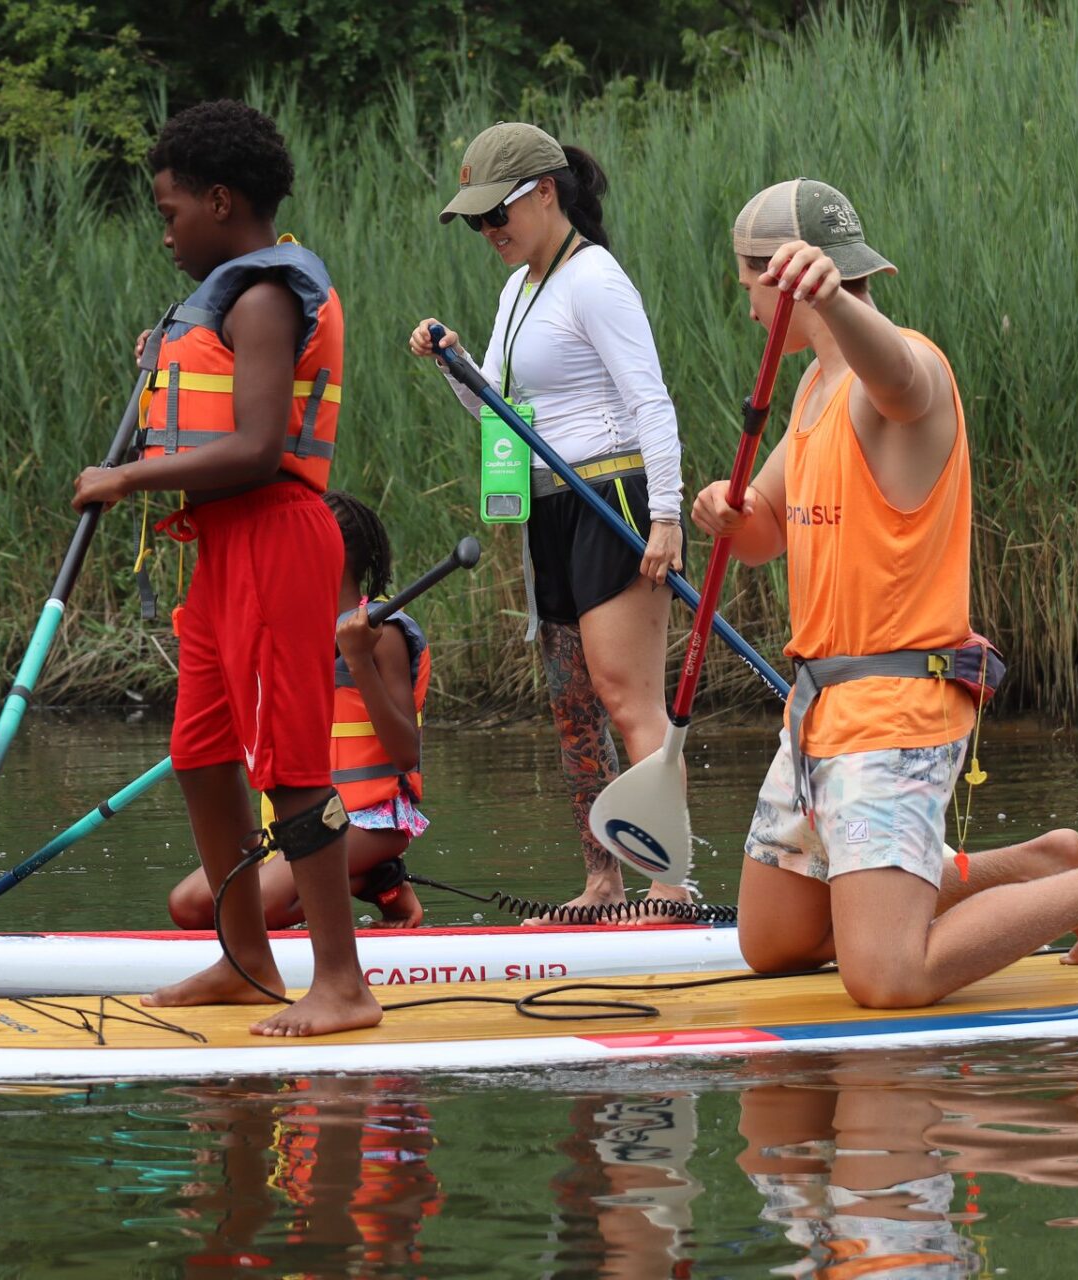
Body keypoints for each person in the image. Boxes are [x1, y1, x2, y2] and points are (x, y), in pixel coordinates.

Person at [693, 178, 1078, 1007]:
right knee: (774, 944)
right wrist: (724, 508)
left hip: (895, 712)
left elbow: (898, 376)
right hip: (818, 713)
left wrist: (837, 300)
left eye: (746, 281)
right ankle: (1038, 866)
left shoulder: (906, 365)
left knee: (886, 980)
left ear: (781, 280)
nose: (744, 300)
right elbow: (760, 539)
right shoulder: (814, 390)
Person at [70, 99, 378, 1036]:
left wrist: (128, 476)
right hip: (220, 547)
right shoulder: (228, 303)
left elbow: (253, 447)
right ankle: (247, 960)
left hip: (278, 536)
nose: (163, 234)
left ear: (218, 200)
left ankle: (342, 985)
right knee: (201, 754)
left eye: (169, 215)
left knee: (289, 765)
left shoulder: (265, 294)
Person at [408, 121, 690, 919]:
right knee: (570, 701)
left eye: (499, 213)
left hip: (615, 499)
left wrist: (665, 516)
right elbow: (496, 411)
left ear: (545, 193)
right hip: (550, 505)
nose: (489, 230)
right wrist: (453, 362)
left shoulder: (594, 278)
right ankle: (604, 883)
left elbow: (650, 400)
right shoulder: (519, 287)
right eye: (476, 220)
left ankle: (667, 886)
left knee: (625, 695)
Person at [166, 490, 430, 931]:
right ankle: (367, 879)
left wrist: (358, 660)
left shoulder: (382, 633)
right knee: (189, 906)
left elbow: (405, 753)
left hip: (369, 820)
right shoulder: (291, 628)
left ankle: (366, 877)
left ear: (327, 551)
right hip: (300, 818)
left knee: (256, 910)